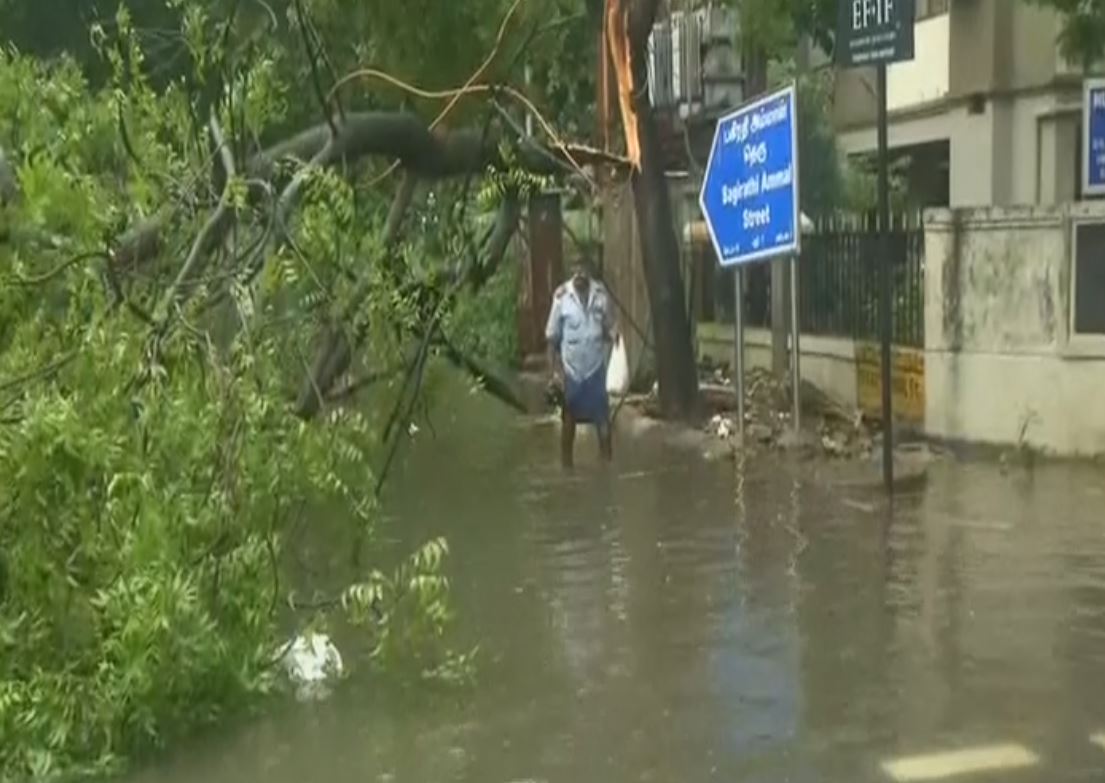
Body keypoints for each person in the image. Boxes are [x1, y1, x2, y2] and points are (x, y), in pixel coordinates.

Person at [545, 258, 617, 467]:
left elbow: (609, 328)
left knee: (603, 422)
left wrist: (615, 337)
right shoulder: (561, 298)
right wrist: (554, 375)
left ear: (589, 271)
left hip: (595, 369)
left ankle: (607, 468)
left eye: (583, 269)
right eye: (575, 269)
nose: (579, 273)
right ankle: (567, 470)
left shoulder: (601, 296)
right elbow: (551, 340)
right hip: (572, 371)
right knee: (569, 422)